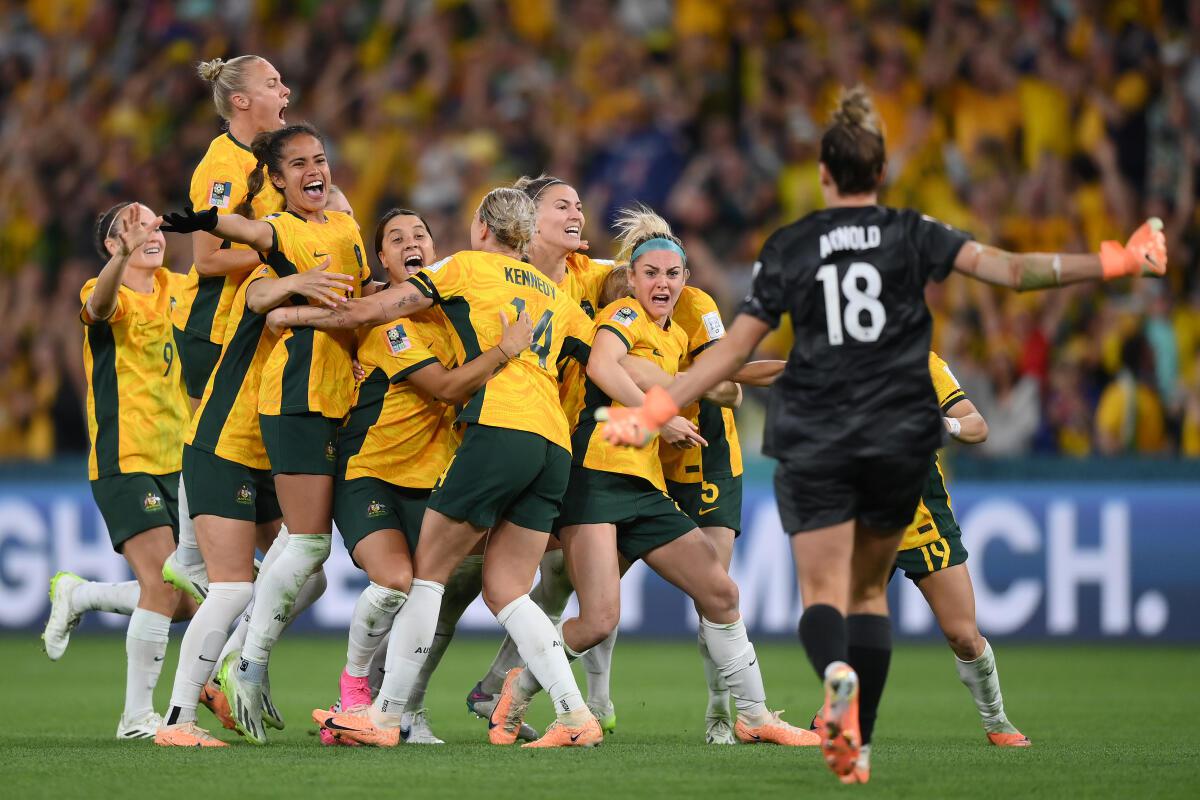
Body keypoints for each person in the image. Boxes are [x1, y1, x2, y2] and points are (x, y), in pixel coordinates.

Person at [597, 87, 1166, 783]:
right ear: (882, 176)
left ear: (825, 178)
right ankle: (856, 740)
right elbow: (1016, 273)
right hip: (893, 433)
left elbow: (725, 359)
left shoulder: (791, 246)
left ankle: (836, 678)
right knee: (871, 596)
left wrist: (650, 412)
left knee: (824, 599)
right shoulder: (913, 231)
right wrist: (1116, 260)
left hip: (817, 439)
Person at [279, 187, 599, 748]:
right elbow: (600, 366)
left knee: (426, 576)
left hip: (499, 428)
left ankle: (385, 716)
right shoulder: (558, 296)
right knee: (508, 591)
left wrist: (292, 313)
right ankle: (575, 717)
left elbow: (370, 309)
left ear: (480, 227)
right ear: (525, 236)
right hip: (553, 446)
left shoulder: (465, 268)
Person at [489, 206, 817, 749]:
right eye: (651, 274)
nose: (661, 283)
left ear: (685, 281)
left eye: (671, 274)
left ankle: (754, 714)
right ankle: (518, 691)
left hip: (645, 487)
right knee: (597, 621)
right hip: (594, 479)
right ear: (632, 279)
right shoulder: (622, 316)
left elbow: (726, 384)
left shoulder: (674, 338)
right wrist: (658, 417)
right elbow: (601, 367)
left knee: (720, 591)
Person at [154, 124, 359, 748]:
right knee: (235, 584)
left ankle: (239, 661)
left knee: (312, 572)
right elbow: (258, 277)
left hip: (271, 447)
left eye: (320, 161)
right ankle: (178, 720)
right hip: (223, 442)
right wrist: (211, 223)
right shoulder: (266, 269)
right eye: (296, 164)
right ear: (274, 180)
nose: (313, 173)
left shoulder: (330, 243)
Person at [318, 208, 532, 746]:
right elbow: (447, 388)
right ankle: (355, 690)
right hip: (372, 474)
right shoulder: (390, 323)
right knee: (395, 583)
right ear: (383, 261)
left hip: (434, 481)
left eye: (420, 235)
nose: (411, 242)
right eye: (396, 239)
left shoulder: (455, 316)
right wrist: (505, 352)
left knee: (434, 592)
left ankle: (407, 710)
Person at [466, 174, 619, 730]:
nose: (578, 212)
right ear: (528, 224)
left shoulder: (592, 275)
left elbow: (647, 270)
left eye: (581, 203)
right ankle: (393, 698)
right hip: (491, 432)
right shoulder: (493, 275)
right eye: (563, 205)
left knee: (554, 577)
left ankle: (532, 694)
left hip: (560, 444)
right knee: (460, 577)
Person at [42, 202, 196, 739]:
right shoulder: (101, 289)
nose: (150, 231)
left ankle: (79, 595)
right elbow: (101, 307)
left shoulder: (181, 287)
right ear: (112, 245)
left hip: (181, 463)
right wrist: (124, 259)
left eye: (153, 223)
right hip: (125, 459)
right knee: (159, 585)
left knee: (186, 603)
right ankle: (135, 718)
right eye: (132, 228)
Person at [163, 55, 291, 604]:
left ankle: (204, 562)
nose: (286, 90)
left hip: (247, 328)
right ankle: (191, 556)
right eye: (272, 83)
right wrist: (286, 254)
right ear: (241, 102)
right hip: (210, 327)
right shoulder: (223, 164)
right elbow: (209, 257)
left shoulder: (264, 159)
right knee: (211, 436)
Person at [888, 352, 1028, 747]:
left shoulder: (924, 364)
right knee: (849, 628)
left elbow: (977, 426)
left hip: (920, 519)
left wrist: (941, 425)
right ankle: (832, 716)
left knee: (964, 636)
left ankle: (997, 721)